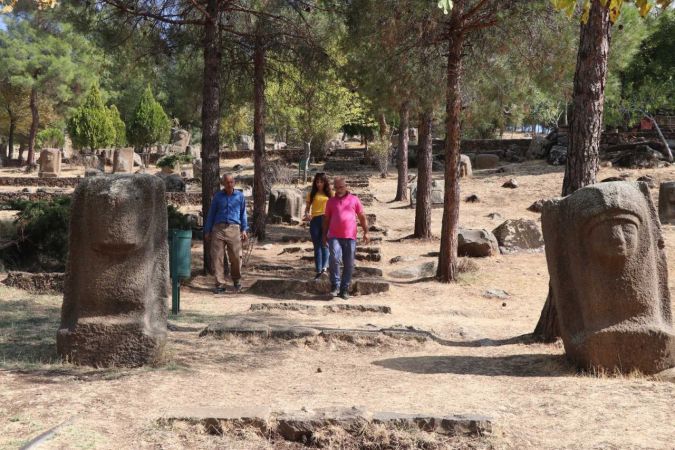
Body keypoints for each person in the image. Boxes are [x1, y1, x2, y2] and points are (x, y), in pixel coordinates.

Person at [322, 176, 369, 300]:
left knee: (348, 264)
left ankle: (344, 289)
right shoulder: (330, 201)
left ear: (346, 186)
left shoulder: (354, 199)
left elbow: (362, 216)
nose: (339, 190)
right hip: (334, 236)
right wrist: (324, 235)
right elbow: (326, 220)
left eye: (341, 187)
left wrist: (366, 232)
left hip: (350, 237)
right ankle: (335, 286)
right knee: (334, 259)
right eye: (336, 187)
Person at [204, 173, 248, 294]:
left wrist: (244, 229)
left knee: (236, 257)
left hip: (234, 228)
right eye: (227, 182)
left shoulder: (239, 196)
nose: (229, 184)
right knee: (217, 257)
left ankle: (237, 280)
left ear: (234, 182)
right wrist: (207, 230)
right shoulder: (218, 197)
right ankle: (219, 284)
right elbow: (211, 214)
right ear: (223, 184)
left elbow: (243, 213)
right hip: (218, 229)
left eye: (231, 182)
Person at [304, 173, 333, 280]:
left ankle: (325, 268)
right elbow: (307, 208)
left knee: (325, 244)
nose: (319, 184)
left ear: (325, 182)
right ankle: (318, 270)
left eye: (321, 181)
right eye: (317, 182)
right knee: (317, 247)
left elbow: (335, 208)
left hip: (326, 220)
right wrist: (307, 214)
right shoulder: (311, 194)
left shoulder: (331, 194)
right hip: (315, 221)